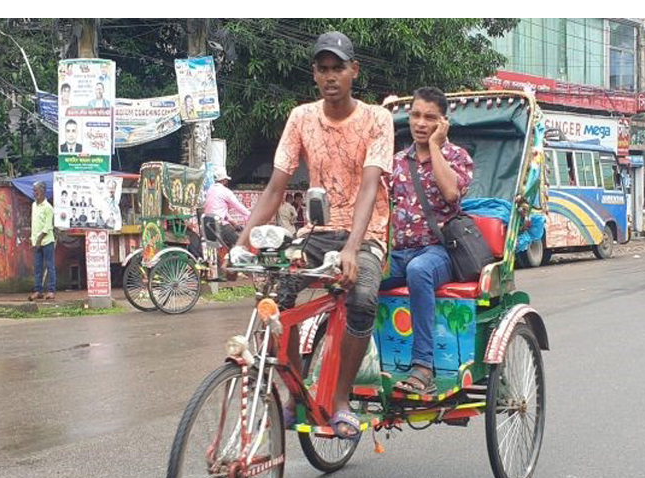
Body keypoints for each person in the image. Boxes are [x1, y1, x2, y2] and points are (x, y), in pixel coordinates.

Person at [232, 30, 393, 439]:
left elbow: (370, 187)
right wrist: (241, 241)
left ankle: (340, 400)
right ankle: (295, 391)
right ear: (315, 75)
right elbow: (275, 187)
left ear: (353, 71)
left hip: (366, 232)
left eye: (337, 68)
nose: (330, 76)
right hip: (317, 230)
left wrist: (354, 249)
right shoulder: (301, 117)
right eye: (322, 70)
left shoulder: (378, 119)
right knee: (276, 295)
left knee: (361, 297)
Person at [381, 87, 474, 394]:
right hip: (400, 252)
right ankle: (365, 360)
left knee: (418, 271)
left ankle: (424, 367)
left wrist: (436, 146)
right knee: (359, 276)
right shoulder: (396, 162)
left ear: (443, 122)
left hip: (440, 253)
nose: (421, 123)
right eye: (416, 115)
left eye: (430, 118)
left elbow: (451, 193)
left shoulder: (457, 156)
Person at [202, 166, 249, 247]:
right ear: (224, 181)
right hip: (220, 226)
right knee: (241, 242)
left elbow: (220, 210)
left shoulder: (209, 190)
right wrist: (250, 215)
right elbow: (239, 207)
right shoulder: (225, 191)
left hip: (208, 226)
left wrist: (233, 222)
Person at [29, 182, 56, 301]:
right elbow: (34, 224)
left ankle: (51, 291)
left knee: (50, 266)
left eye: (36, 191)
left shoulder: (48, 208)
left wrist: (39, 240)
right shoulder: (34, 205)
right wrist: (34, 239)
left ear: (43, 191)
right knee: (38, 267)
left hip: (47, 242)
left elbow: (47, 227)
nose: (35, 193)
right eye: (33, 191)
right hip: (36, 242)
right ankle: (38, 291)